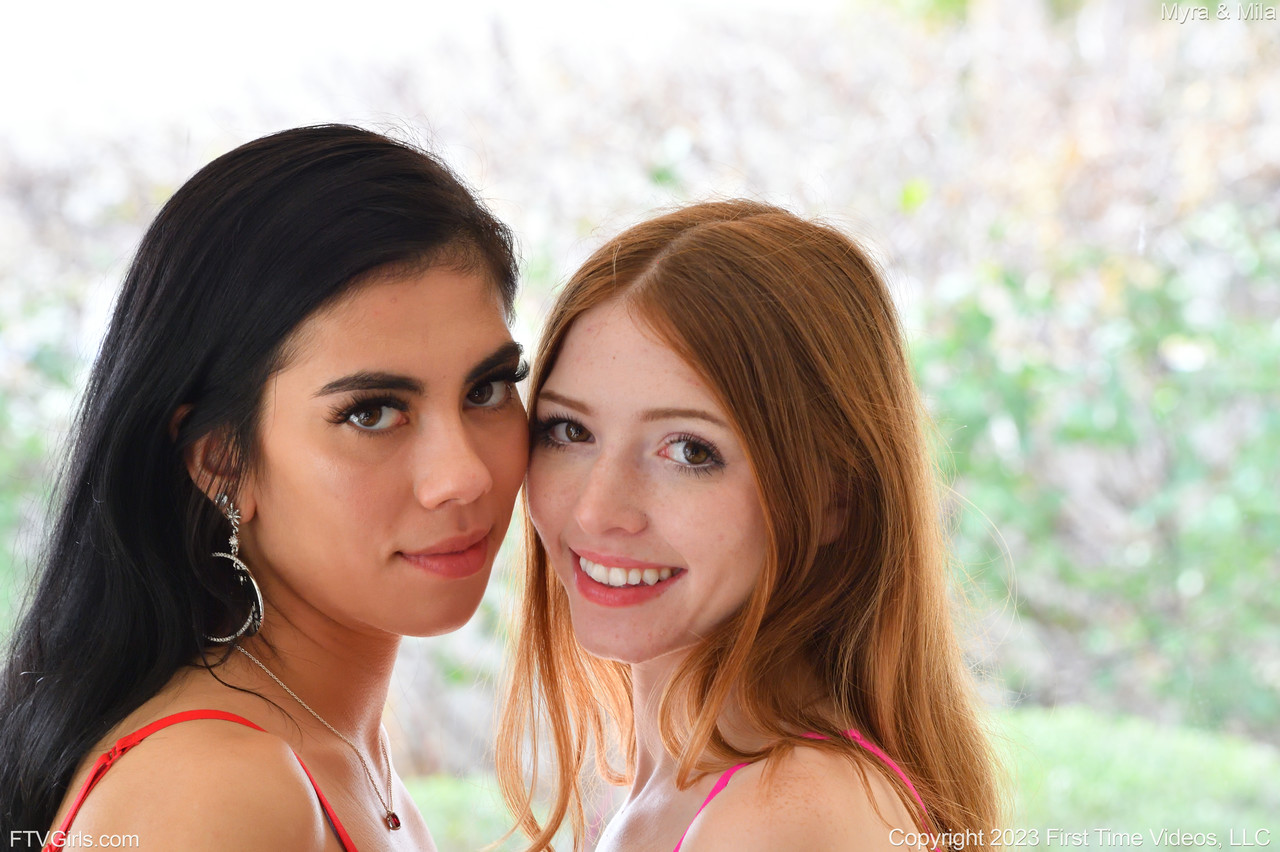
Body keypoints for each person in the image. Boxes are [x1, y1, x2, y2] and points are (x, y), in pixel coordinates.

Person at [0, 125, 528, 851]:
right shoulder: (218, 791)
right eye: (372, 413)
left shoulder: (329, 745)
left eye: (488, 388)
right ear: (223, 462)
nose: (464, 475)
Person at [498, 200, 1003, 851]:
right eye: (570, 431)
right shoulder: (684, 790)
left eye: (689, 450)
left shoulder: (779, 815)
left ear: (834, 498)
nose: (597, 511)